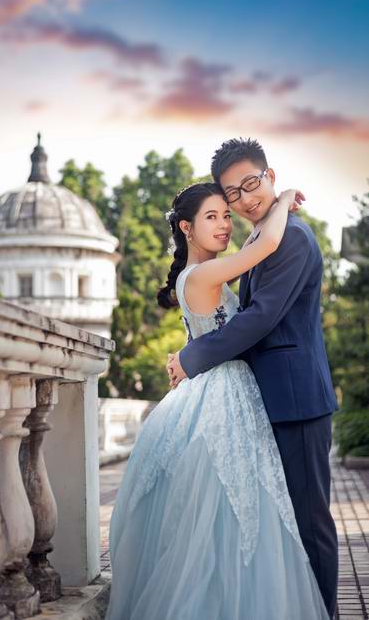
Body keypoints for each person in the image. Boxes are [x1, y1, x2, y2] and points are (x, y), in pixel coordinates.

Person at [105, 180, 329, 620]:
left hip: (226, 387)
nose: (224, 224)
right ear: (186, 228)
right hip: (222, 393)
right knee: (226, 508)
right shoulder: (203, 274)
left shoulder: (205, 272)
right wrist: (282, 199)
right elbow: (267, 246)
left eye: (226, 215)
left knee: (236, 506)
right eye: (212, 216)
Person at [167, 138, 339, 619]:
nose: (244, 199)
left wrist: (193, 355)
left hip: (297, 401)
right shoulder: (260, 239)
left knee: (309, 524)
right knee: (283, 524)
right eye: (232, 194)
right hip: (270, 401)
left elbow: (260, 318)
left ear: (270, 177)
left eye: (251, 184)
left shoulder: (291, 238)